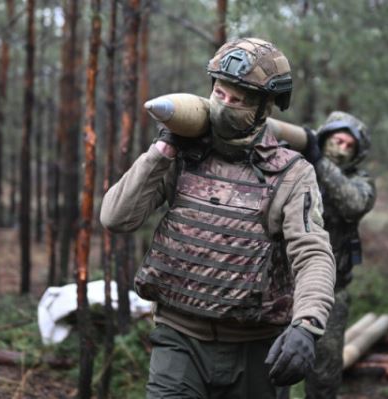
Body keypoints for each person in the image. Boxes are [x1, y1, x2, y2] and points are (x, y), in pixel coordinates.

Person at [100, 37, 336, 399]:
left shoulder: (291, 174)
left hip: (257, 348)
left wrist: (307, 325)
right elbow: (116, 217)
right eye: (220, 94)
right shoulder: (180, 154)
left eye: (238, 100)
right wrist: (163, 148)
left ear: (264, 108)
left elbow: (312, 253)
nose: (225, 106)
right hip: (179, 339)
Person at [301, 111, 377, 398]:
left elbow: (354, 204)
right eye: (337, 141)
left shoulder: (360, 181)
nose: (342, 149)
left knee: (323, 375)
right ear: (325, 137)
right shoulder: (299, 164)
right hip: (285, 288)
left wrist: (320, 161)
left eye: (349, 146)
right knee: (273, 369)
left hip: (331, 293)